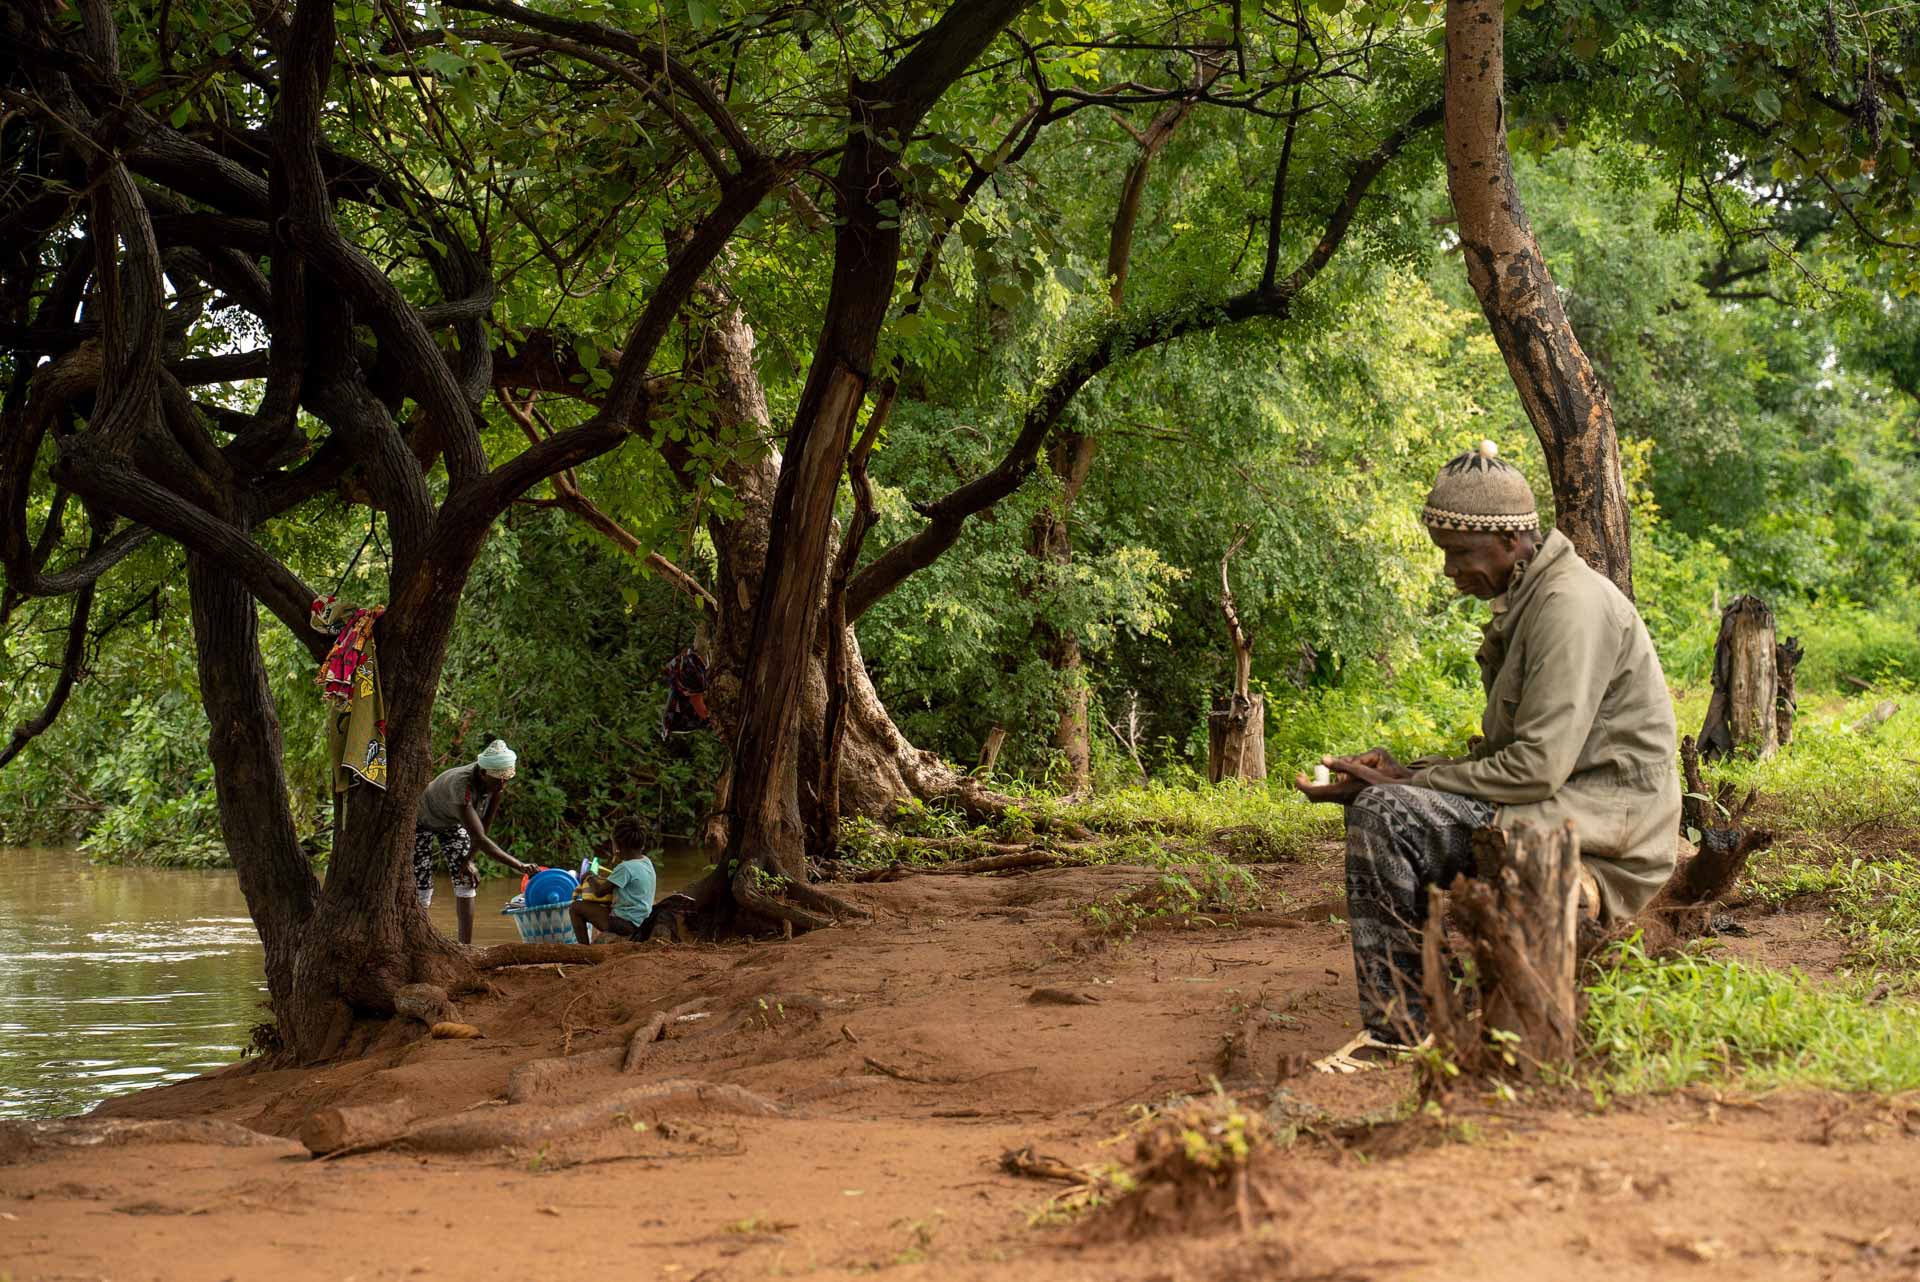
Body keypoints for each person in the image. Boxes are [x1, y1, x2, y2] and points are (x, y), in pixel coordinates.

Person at [1296, 440, 1681, 1071]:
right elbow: (1519, 758)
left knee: (1388, 816)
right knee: (1388, 802)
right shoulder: (1534, 598)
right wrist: (1404, 775)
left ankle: (1403, 1032)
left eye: (1459, 554)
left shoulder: (1569, 606)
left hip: (1605, 836)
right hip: (1562, 807)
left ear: (1511, 542)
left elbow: (1536, 768)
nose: (1450, 571)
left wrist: (1403, 789)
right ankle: (1429, 1006)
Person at [415, 739, 536, 944]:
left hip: (451, 822)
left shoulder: (497, 785)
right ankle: (418, 939)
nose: (502, 785)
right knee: (422, 884)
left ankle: (465, 947)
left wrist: (468, 860)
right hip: (423, 819)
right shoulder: (461, 785)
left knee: (466, 879)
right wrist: (520, 866)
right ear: (483, 773)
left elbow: (483, 828)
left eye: (506, 779)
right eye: (499, 780)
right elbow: (479, 837)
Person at [569, 821, 660, 944]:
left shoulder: (625, 868)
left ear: (617, 847)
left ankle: (584, 949)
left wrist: (590, 876)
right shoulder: (645, 861)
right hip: (642, 921)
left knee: (575, 908)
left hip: (626, 924)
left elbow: (599, 893)